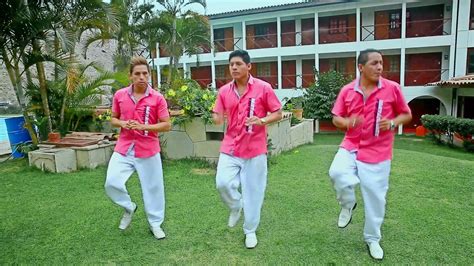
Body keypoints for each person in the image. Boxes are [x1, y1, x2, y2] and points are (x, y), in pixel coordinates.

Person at [328, 49, 412, 260]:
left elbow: (406, 114)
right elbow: (336, 118)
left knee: (376, 199)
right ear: (361, 67)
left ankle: (372, 239)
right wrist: (347, 122)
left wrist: (392, 123)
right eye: (374, 63)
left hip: (378, 151)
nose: (380, 67)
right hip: (351, 145)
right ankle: (348, 203)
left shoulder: (392, 89)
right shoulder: (347, 90)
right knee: (337, 173)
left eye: (381, 63)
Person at [212, 50, 283, 249]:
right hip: (230, 146)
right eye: (231, 64)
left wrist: (262, 120)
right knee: (222, 183)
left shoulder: (263, 88)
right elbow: (217, 113)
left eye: (238, 64)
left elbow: (278, 113)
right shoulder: (224, 91)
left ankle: (250, 231)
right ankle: (236, 205)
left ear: (248, 66)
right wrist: (217, 117)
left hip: (255, 149)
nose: (234, 67)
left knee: (254, 192)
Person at [104, 56, 171, 239]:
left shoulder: (157, 98)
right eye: (137, 74)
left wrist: (144, 127)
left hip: (148, 149)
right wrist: (124, 124)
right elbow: (113, 119)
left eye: (145, 73)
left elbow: (166, 125)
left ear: (149, 75)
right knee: (111, 182)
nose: (142, 77)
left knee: (153, 188)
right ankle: (128, 206)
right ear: (130, 76)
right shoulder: (120, 95)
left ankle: (156, 224)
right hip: (124, 147)